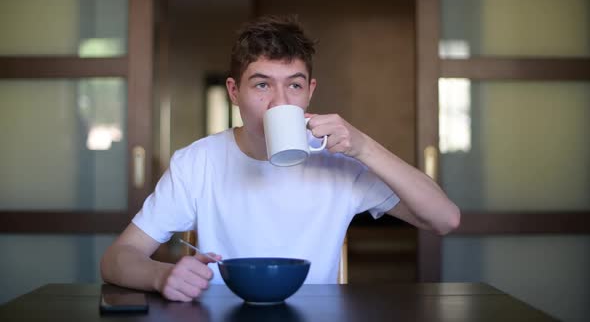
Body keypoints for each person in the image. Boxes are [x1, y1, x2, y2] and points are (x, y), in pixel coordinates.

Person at [101, 15, 460, 302]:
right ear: (233, 92)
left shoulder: (338, 161)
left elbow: (445, 219)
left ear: (309, 92)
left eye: (294, 85)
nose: (280, 102)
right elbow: (117, 258)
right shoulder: (197, 162)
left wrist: (364, 146)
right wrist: (161, 275)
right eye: (261, 85)